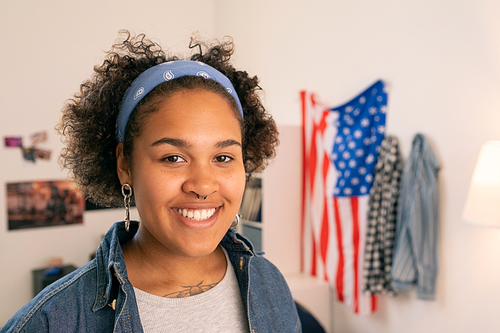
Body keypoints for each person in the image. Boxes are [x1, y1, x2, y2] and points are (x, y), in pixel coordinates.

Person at [1, 31, 301, 332]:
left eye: (223, 158)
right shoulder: (49, 322)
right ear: (124, 165)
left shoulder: (268, 282)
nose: (203, 185)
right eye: (173, 158)